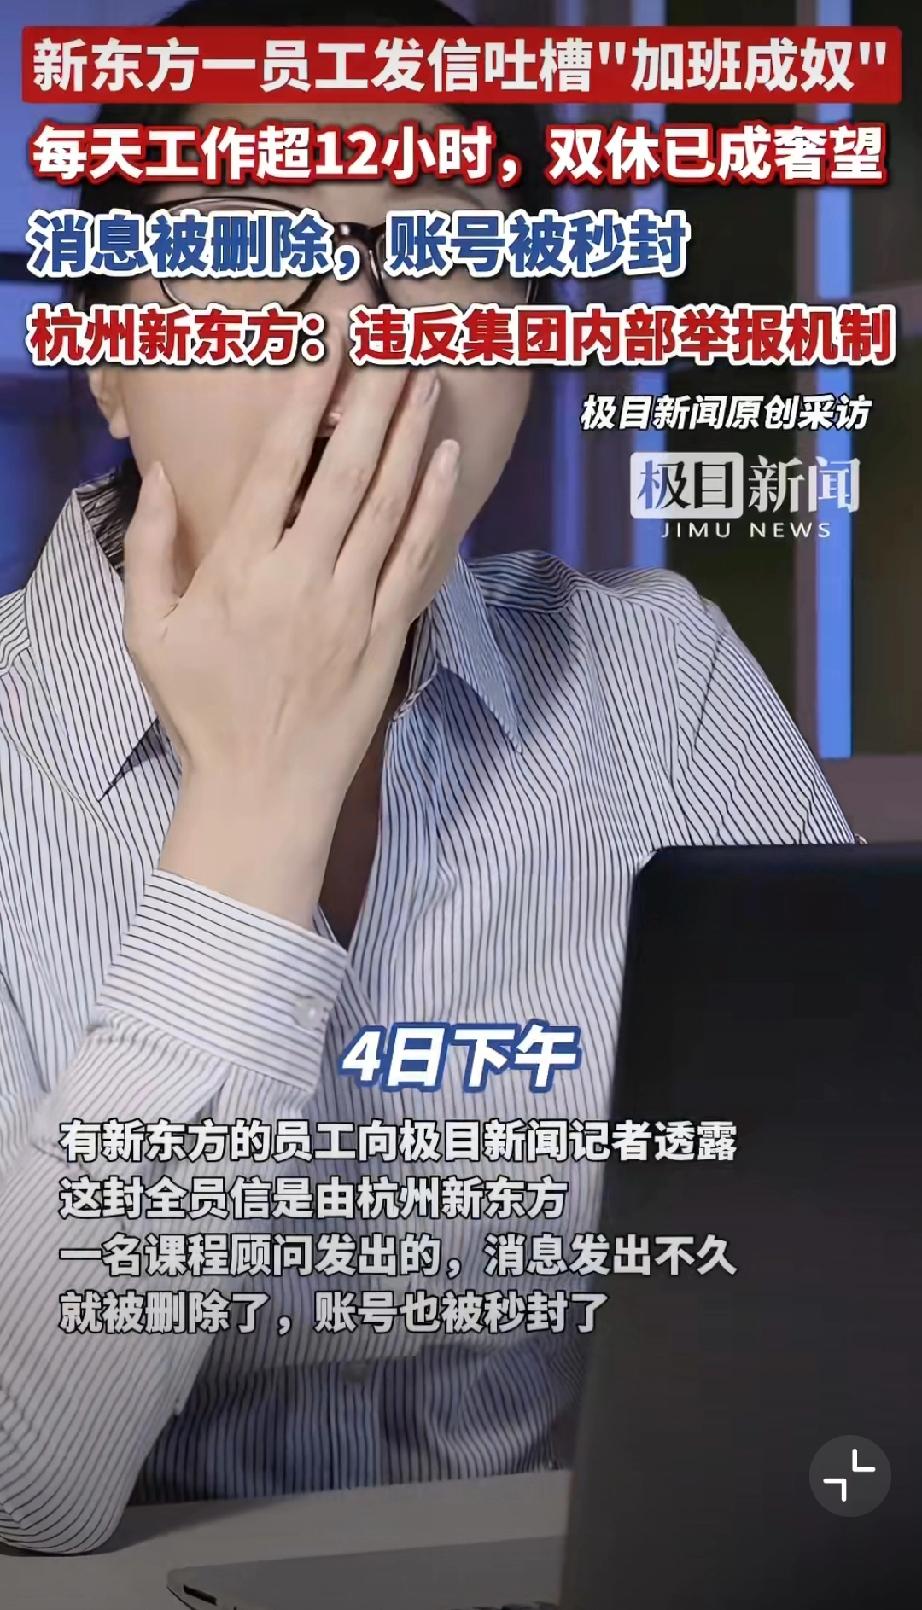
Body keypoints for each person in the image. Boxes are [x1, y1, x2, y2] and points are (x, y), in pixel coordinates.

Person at [0, 0, 854, 1558]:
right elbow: (22, 1479)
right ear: (112, 356)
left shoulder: (657, 680)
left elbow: (847, 1268)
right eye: (248, 247)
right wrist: (258, 804)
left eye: (441, 244)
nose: (355, 327)